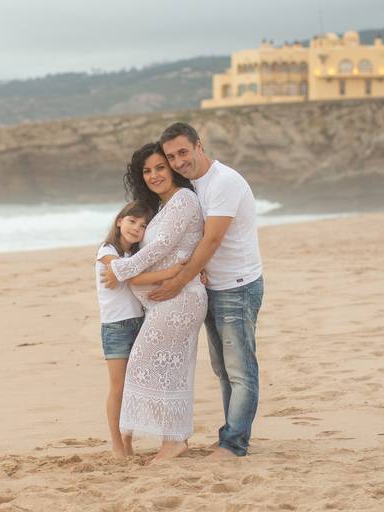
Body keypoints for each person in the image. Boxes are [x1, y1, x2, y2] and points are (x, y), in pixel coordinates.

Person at [151, 122, 264, 459]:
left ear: (199, 146)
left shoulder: (223, 181)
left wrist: (177, 281)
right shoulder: (191, 185)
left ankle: (234, 444)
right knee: (223, 370)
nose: (177, 161)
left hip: (238, 287)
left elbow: (211, 239)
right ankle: (230, 435)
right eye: (171, 156)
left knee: (241, 370)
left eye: (183, 152)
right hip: (213, 287)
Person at [102, 142, 207, 462]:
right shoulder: (161, 208)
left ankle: (174, 441)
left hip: (180, 298)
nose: (154, 175)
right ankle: (174, 440)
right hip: (165, 301)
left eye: (160, 167)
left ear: (172, 168)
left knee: (143, 366)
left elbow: (160, 247)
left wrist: (120, 270)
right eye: (147, 171)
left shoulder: (184, 200)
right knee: (169, 372)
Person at [95, 200, 187, 458]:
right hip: (116, 327)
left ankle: (128, 439)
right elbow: (127, 274)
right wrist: (171, 272)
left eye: (143, 225)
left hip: (141, 322)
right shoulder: (107, 250)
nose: (136, 228)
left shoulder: (138, 255)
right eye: (132, 221)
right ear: (119, 221)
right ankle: (117, 445)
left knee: (136, 386)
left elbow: (132, 271)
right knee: (119, 387)